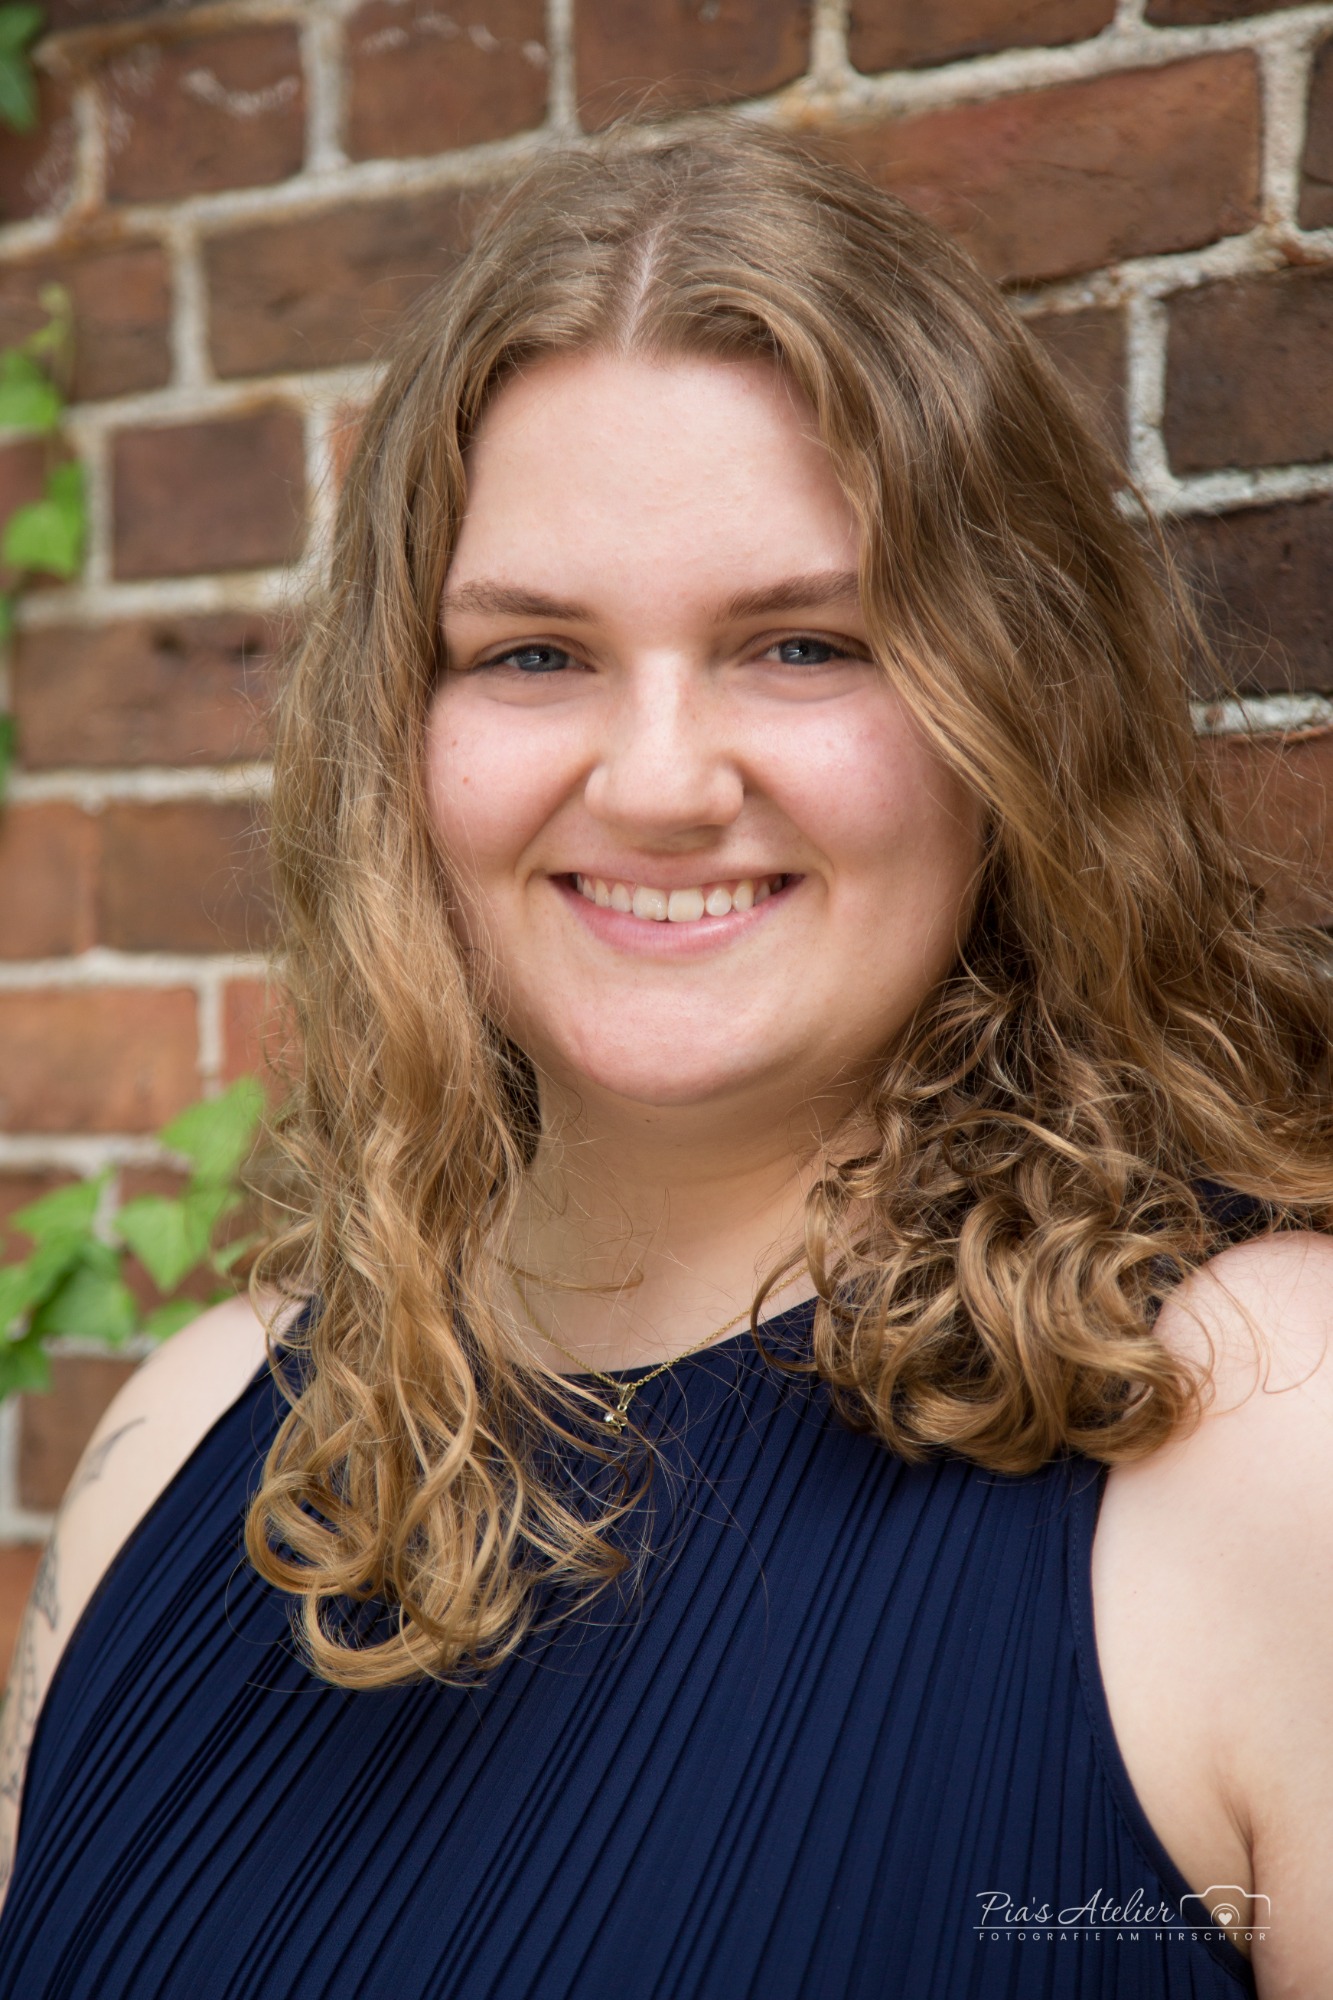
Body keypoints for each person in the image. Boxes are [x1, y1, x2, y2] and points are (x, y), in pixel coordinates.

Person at [0, 124, 1329, 2000]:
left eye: (802, 643)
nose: (656, 783)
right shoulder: (186, 1441)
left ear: (1013, 703)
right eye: (533, 656)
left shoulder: (1263, 1435)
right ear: (403, 730)